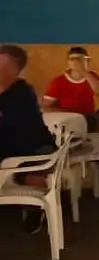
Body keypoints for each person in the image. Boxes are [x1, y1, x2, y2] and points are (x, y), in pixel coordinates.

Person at [0, 45, 58, 232]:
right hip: (10, 151)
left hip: (34, 150)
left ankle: (36, 207)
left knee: (33, 172)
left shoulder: (22, 93)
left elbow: (18, 130)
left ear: (15, 69)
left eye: (4, 65)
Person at [42, 47, 99, 126]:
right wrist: (67, 114)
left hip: (88, 119)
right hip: (67, 120)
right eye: (72, 59)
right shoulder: (58, 82)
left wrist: (84, 73)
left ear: (86, 61)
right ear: (68, 62)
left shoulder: (92, 76)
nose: (76, 62)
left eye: (79, 59)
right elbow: (45, 107)